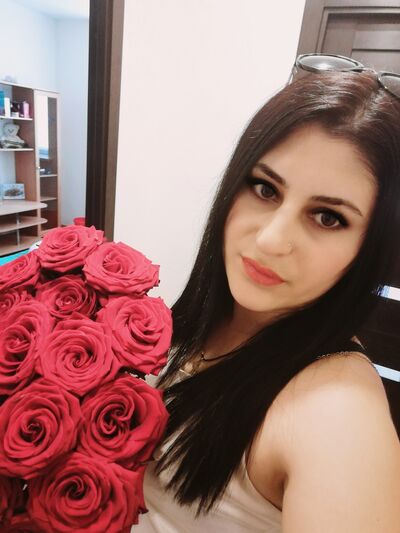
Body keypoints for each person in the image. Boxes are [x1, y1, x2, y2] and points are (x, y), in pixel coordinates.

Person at [135, 54, 400, 532]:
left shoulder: (337, 414)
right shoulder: (199, 322)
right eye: (265, 189)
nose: (271, 239)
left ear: (369, 250)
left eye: (328, 217)